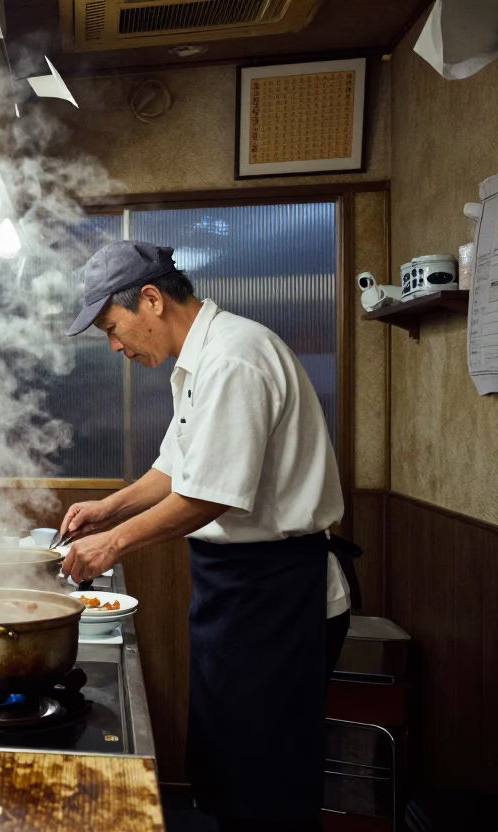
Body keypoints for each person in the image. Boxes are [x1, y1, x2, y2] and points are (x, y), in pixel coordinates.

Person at [57, 240, 356, 832]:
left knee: (266, 776)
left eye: (114, 329)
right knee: (228, 760)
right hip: (236, 590)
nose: (115, 347)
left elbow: (209, 495)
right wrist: (108, 510)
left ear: (151, 300)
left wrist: (112, 545)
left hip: (280, 592)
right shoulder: (198, 363)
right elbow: (176, 469)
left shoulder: (234, 358)